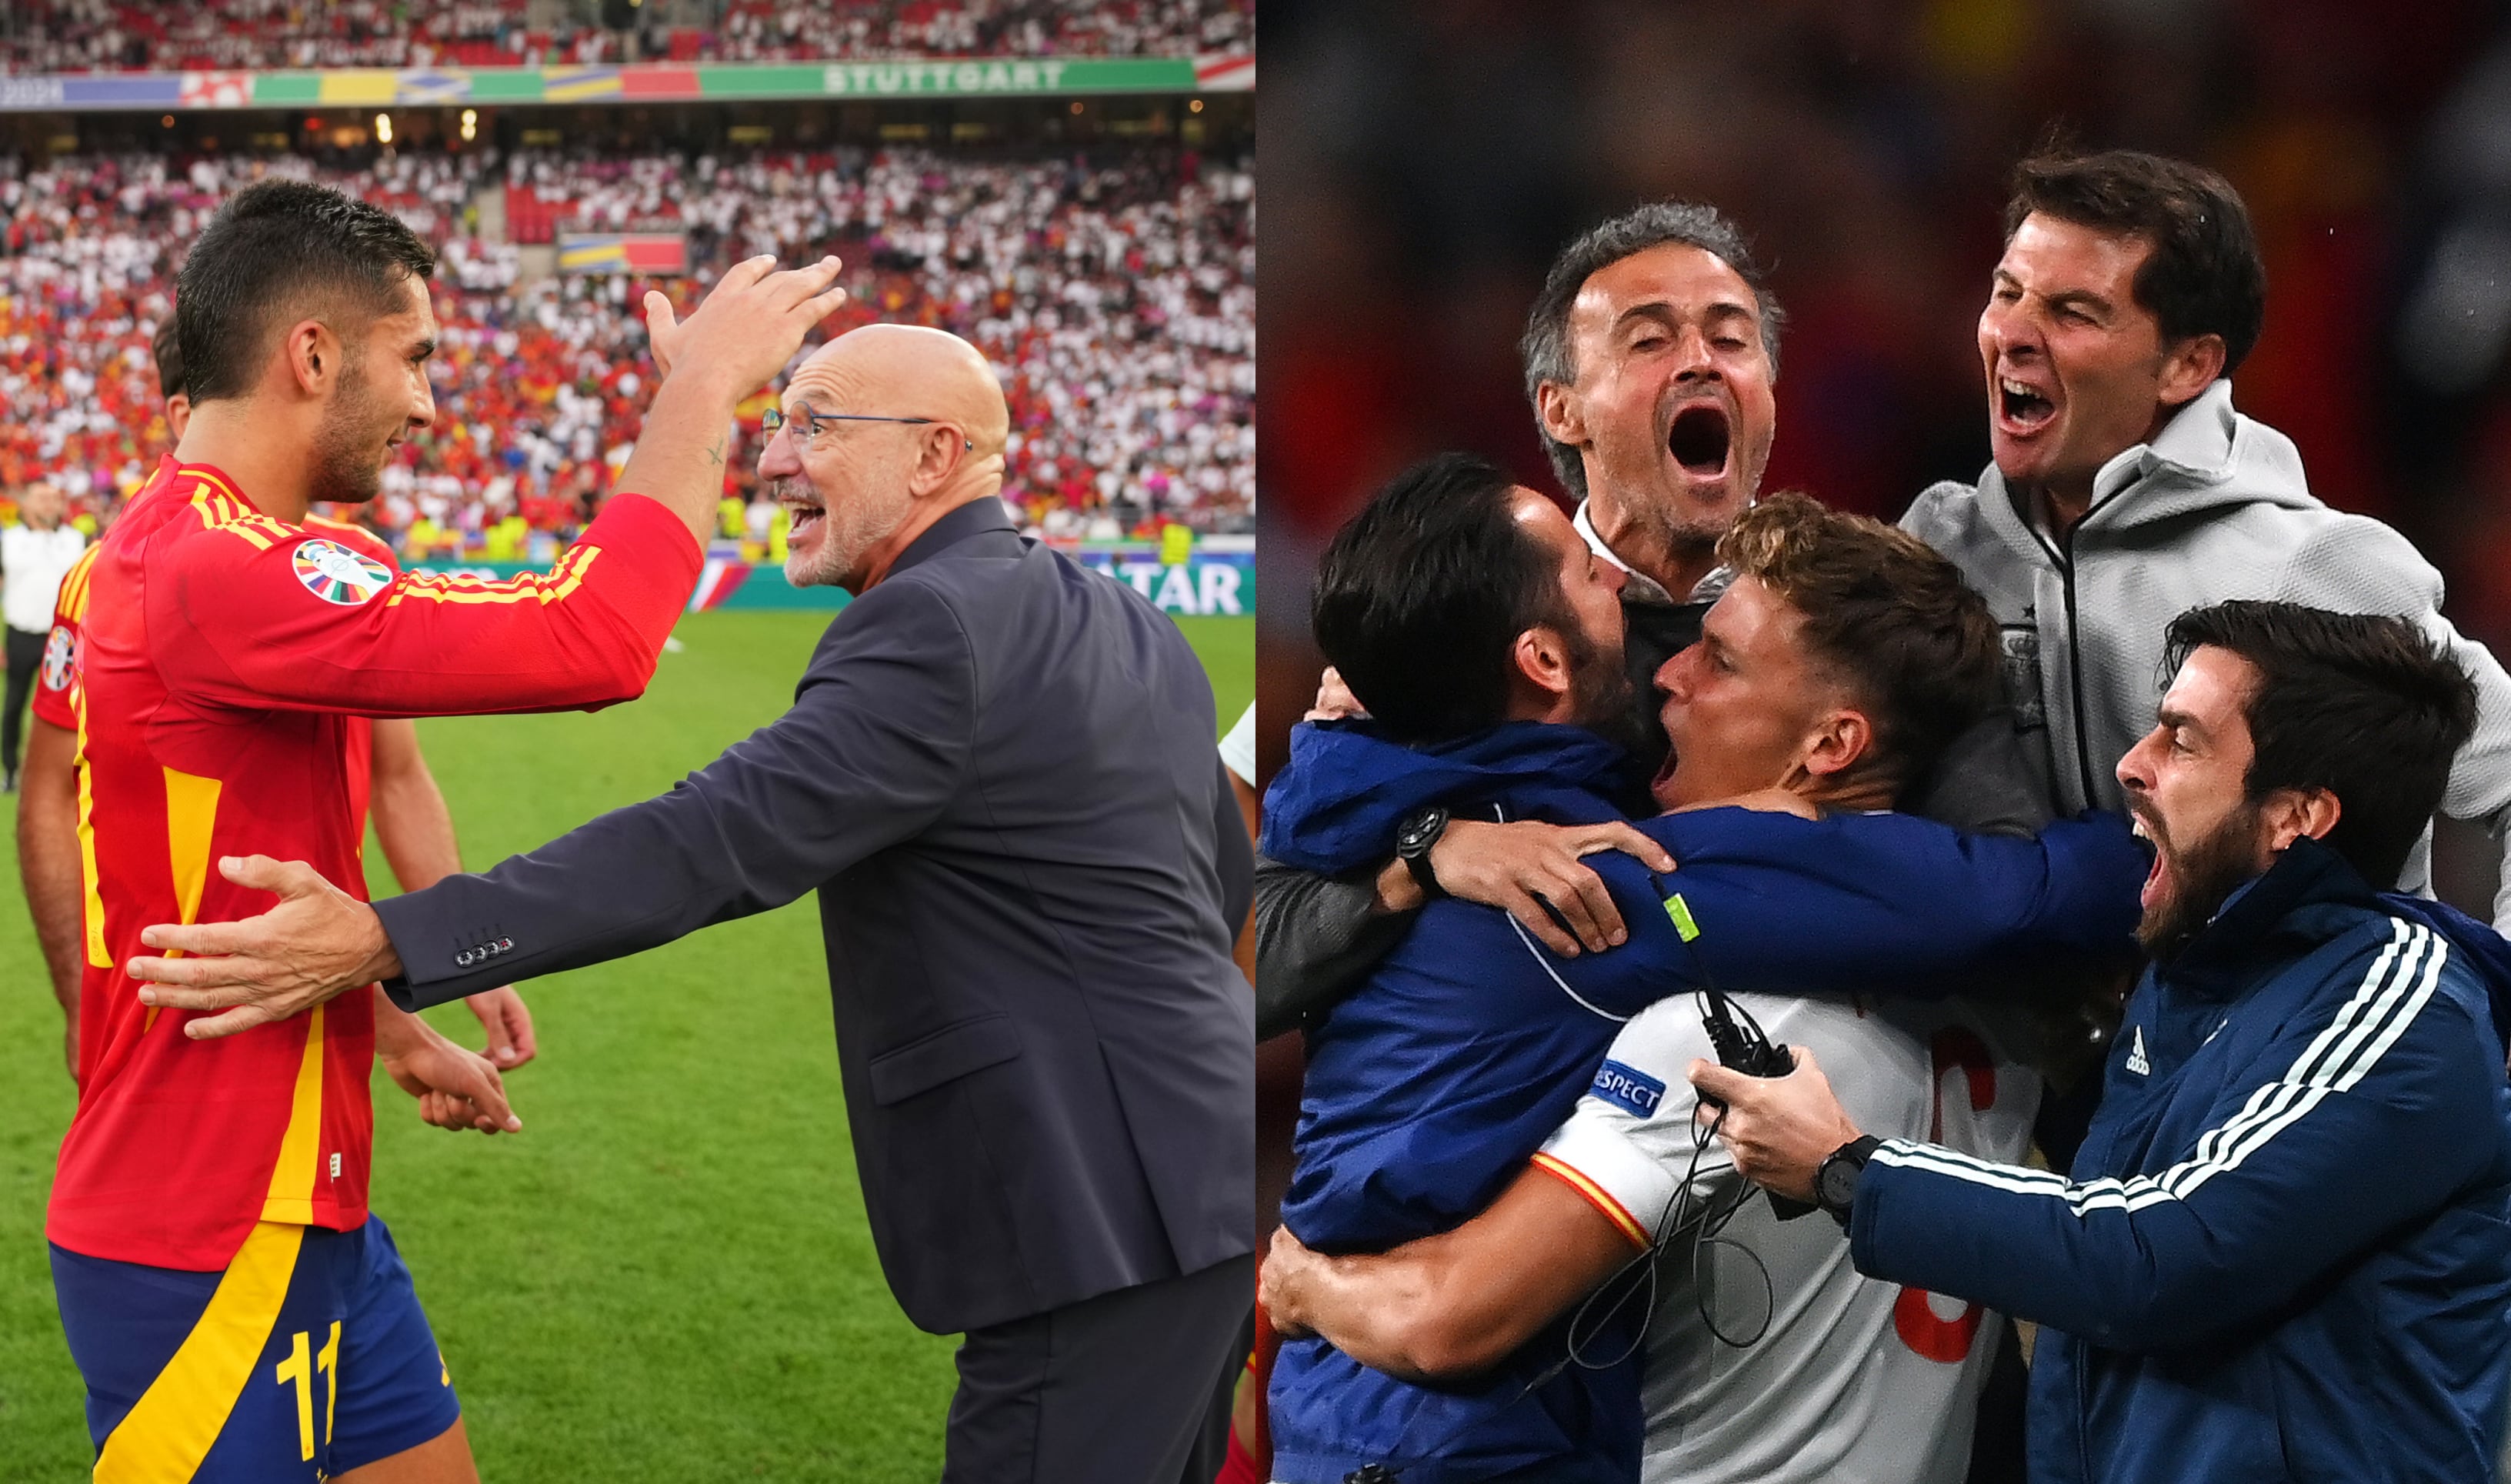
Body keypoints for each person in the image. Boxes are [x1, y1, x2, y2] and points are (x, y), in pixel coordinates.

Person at [125, 322, 1258, 1484]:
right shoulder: (1135, 624)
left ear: (934, 457)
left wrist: (386, 934)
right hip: (1203, 1194)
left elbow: (710, 840)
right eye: (778, 424)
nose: (774, 461)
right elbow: (1220, 889)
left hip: (1088, 1220)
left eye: (814, 424)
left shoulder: (933, 625)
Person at [45, 178, 844, 1482]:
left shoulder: (228, 550)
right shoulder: (203, 565)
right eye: (413, 357)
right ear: (311, 356)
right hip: (200, 1232)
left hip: (314, 1213)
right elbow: (597, 638)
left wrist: (389, 1025)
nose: (429, 400)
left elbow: (242, 873)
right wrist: (699, 390)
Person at [1256, 459, 2143, 1482]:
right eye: (1590, 576)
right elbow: (2010, 895)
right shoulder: (1598, 886)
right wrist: (2195, 828)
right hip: (1436, 1446)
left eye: (1717, 659)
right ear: (1539, 659)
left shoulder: (1686, 1007)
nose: (1660, 654)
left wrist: (1307, 1288)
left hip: (1394, 1422)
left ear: (1829, 743)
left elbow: (1453, 1313)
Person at [1696, 600, 2511, 1484]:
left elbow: (2155, 1257)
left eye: (2183, 740)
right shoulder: (2188, 976)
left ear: (2296, 817)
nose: (2132, 765)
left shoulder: (2404, 1005)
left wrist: (1847, 1166)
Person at [1902, 148, 2511, 931]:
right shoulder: (1945, 544)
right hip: (2038, 1045)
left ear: (2188, 364)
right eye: (2007, 293)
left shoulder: (2306, 566)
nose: (2013, 334)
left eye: (2073, 313)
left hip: (2287, 1046)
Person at [16, 310, 538, 1089]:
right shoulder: (106, 578)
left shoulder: (357, 562)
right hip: (179, 1031)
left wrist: (464, 952)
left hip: (321, 1018)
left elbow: (397, 777)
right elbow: (50, 792)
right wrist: (78, 995)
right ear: (184, 419)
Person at [2, 477, 86, 790]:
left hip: (65, 639)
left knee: (73, 707)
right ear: (25, 503)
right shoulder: (9, 539)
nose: (49, 503)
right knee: (14, 704)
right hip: (22, 632)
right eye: (41, 497)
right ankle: (10, 769)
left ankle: (70, 773)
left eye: (54, 497)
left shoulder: (77, 538)